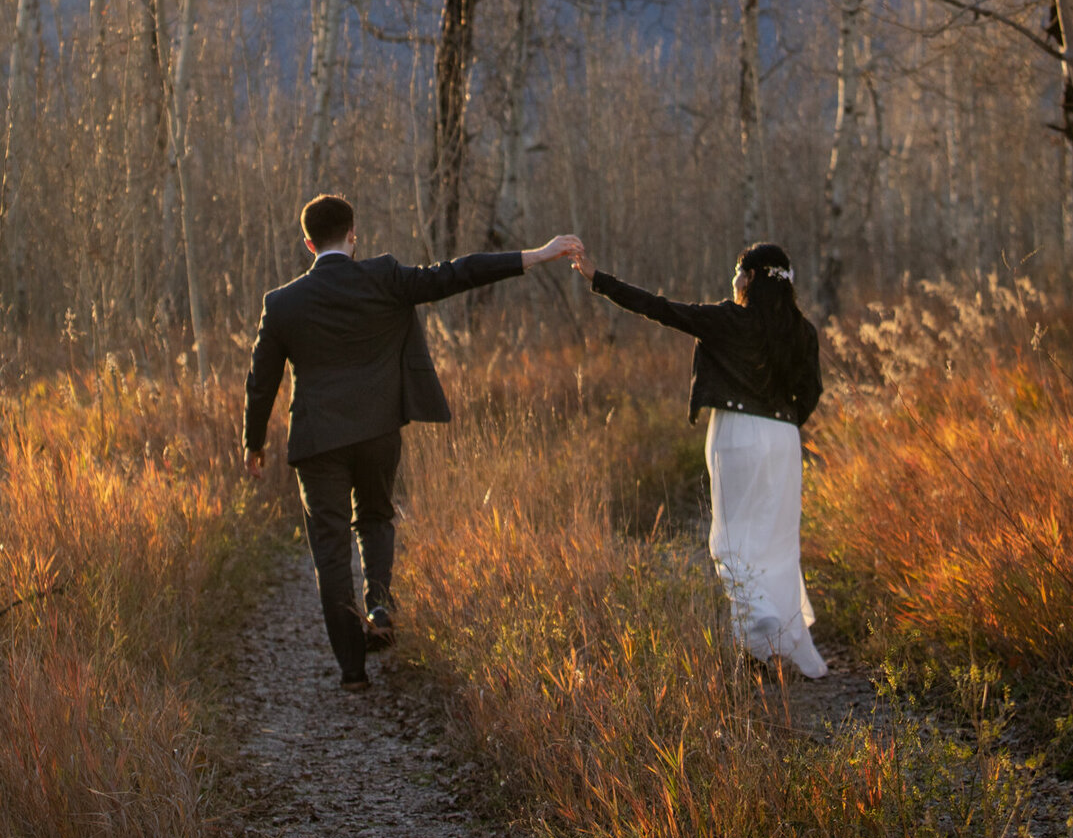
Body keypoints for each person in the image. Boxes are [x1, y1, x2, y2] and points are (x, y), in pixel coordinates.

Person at [244, 193, 581, 690]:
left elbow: (261, 379)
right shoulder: (385, 277)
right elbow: (456, 272)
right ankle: (380, 601)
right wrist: (536, 253)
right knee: (376, 516)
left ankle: (353, 670)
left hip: (317, 442)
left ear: (309, 243)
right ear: (353, 235)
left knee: (330, 550)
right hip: (379, 431)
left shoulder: (283, 302)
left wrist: (253, 442)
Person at [572, 239, 827, 679]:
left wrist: (599, 280)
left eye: (737, 271)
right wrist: (784, 424)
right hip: (784, 440)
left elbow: (661, 309)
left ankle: (756, 639)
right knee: (778, 543)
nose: (733, 279)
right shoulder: (801, 331)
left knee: (733, 541)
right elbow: (812, 392)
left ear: (749, 278)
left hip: (739, 434)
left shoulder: (729, 320)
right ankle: (771, 640)